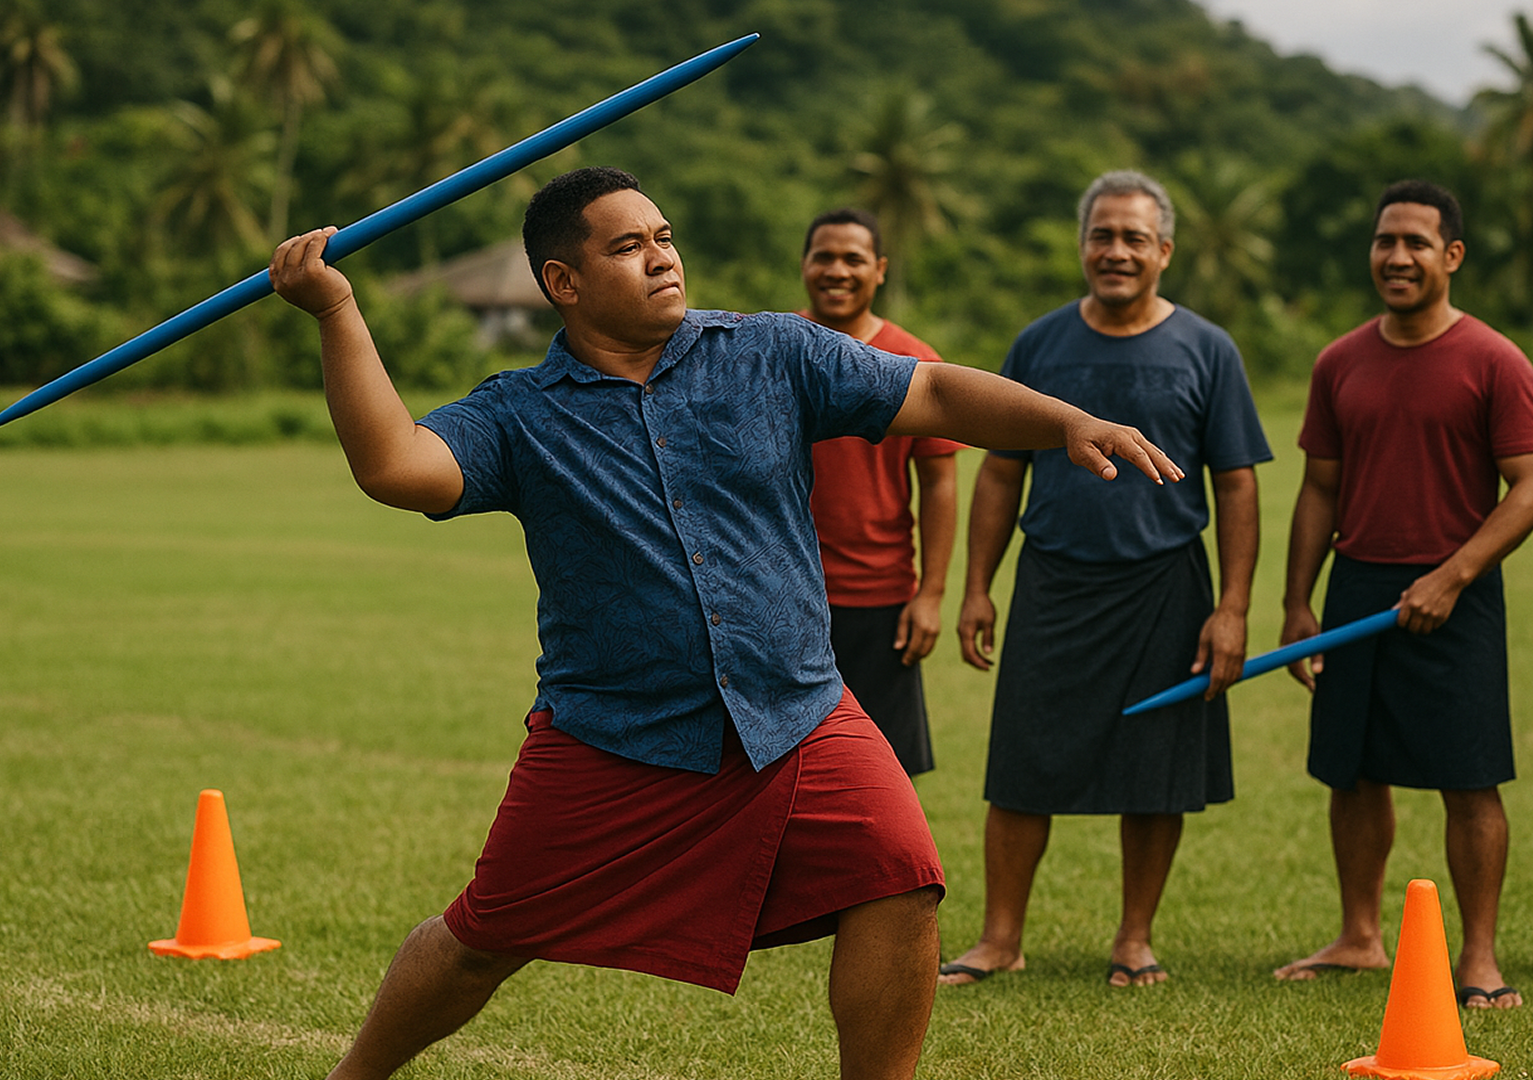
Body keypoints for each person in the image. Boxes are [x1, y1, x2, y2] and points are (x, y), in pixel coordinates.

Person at [267, 166, 1183, 1080]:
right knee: (482, 939)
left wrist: (1065, 421)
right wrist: (336, 310)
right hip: (613, 734)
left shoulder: (773, 351)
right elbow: (395, 467)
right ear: (563, 283)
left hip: (797, 712)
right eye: (628, 247)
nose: (662, 258)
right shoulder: (519, 414)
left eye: (663, 237)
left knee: (900, 876)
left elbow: (935, 395)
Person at [939, 170, 1270, 989]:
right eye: (1101, 235)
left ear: (1163, 251)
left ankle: (1134, 939)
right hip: (1053, 582)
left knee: (1155, 771)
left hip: (1166, 586)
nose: (1115, 251)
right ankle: (999, 939)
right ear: (1083, 245)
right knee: (1021, 765)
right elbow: (998, 473)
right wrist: (978, 586)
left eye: (1133, 238)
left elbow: (1237, 484)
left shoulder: (1207, 348)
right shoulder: (1040, 344)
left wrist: (1232, 607)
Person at [1272, 180, 1533, 1010]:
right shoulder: (1339, 360)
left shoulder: (1495, 360)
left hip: (1455, 591)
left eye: (1417, 244)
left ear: (1452, 257)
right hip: (1358, 585)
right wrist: (1299, 602)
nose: (1397, 257)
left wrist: (1454, 575)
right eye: (1384, 241)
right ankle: (1360, 937)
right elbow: (1319, 489)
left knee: (1470, 780)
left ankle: (1480, 956)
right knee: (1353, 774)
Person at [800, 207, 960, 776]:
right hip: (783, 591)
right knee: (781, 765)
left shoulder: (914, 362)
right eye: (824, 257)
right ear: (804, 265)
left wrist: (931, 594)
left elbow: (939, 483)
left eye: (853, 259)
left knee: (881, 770)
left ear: (880, 269)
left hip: (879, 596)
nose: (837, 270)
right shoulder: (771, 355)